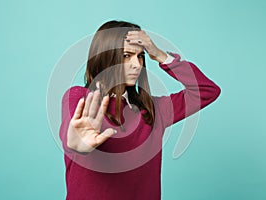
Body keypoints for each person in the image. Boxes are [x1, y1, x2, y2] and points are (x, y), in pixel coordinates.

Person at [59, 20, 221, 200]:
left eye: (140, 56)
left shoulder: (154, 110)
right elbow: (72, 134)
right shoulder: (79, 97)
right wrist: (76, 144)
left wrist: (159, 55)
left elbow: (207, 91)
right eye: (127, 55)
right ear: (105, 58)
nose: (137, 64)